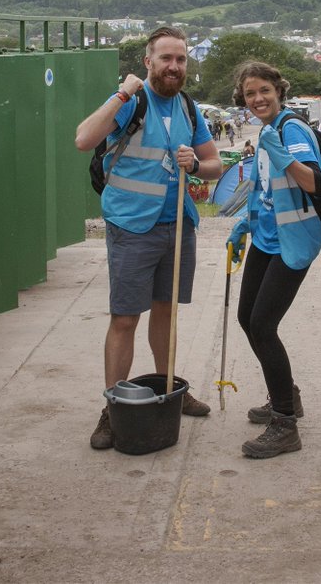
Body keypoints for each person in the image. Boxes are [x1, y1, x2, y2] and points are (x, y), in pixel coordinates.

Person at [74, 26, 223, 451]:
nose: (174, 66)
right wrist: (122, 93)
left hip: (177, 225)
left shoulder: (188, 107)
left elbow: (215, 165)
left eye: (181, 59)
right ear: (148, 62)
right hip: (132, 226)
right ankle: (113, 407)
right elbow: (84, 139)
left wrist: (196, 165)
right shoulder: (132, 101)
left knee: (166, 313)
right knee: (125, 319)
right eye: (166, 58)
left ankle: (169, 388)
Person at [226, 61, 321, 459]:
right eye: (250, 93)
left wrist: (283, 156)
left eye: (264, 90)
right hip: (266, 240)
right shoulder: (267, 130)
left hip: (292, 242)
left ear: (279, 91)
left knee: (263, 325)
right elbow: (265, 190)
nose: (258, 98)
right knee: (246, 317)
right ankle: (287, 394)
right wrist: (245, 224)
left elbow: (313, 182)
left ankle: (285, 423)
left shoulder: (290, 129)